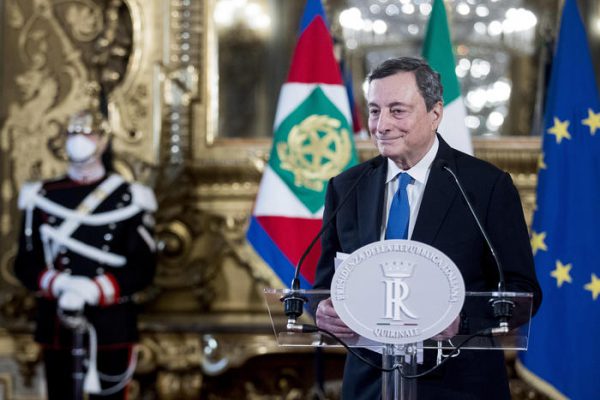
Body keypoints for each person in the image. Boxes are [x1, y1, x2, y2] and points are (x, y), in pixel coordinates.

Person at [313, 57, 542, 399]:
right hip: (370, 386)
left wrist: (461, 320)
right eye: (375, 111)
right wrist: (322, 310)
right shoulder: (347, 188)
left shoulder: (485, 186)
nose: (382, 125)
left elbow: (524, 293)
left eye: (397, 110)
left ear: (435, 113)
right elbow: (322, 287)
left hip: (460, 384)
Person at [14, 108, 157, 400]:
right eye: (73, 133)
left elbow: (143, 267)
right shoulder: (41, 195)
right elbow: (25, 264)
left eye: (87, 133)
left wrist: (96, 289)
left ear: (103, 141)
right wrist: (59, 284)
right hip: (58, 321)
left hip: (112, 323)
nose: (79, 140)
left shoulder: (129, 196)